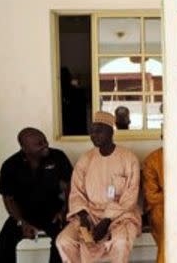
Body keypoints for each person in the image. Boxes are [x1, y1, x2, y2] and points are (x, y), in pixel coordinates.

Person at [56, 111, 141, 263]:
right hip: (90, 213)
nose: (94, 135)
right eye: (92, 131)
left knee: (120, 243)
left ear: (111, 131)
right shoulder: (85, 159)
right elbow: (76, 192)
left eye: (99, 130)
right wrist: (83, 216)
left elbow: (130, 197)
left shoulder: (129, 159)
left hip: (120, 216)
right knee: (64, 241)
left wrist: (107, 220)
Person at [0, 128, 73, 263]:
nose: (45, 145)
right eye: (39, 143)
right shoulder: (11, 165)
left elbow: (70, 188)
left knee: (62, 242)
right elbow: (8, 199)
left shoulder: (58, 157)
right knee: (3, 245)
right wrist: (21, 222)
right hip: (23, 214)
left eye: (45, 140)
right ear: (24, 148)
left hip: (54, 213)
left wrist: (64, 210)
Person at [142, 146, 164, 263]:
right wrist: (175, 195)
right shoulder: (152, 160)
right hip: (160, 207)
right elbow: (152, 197)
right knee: (168, 230)